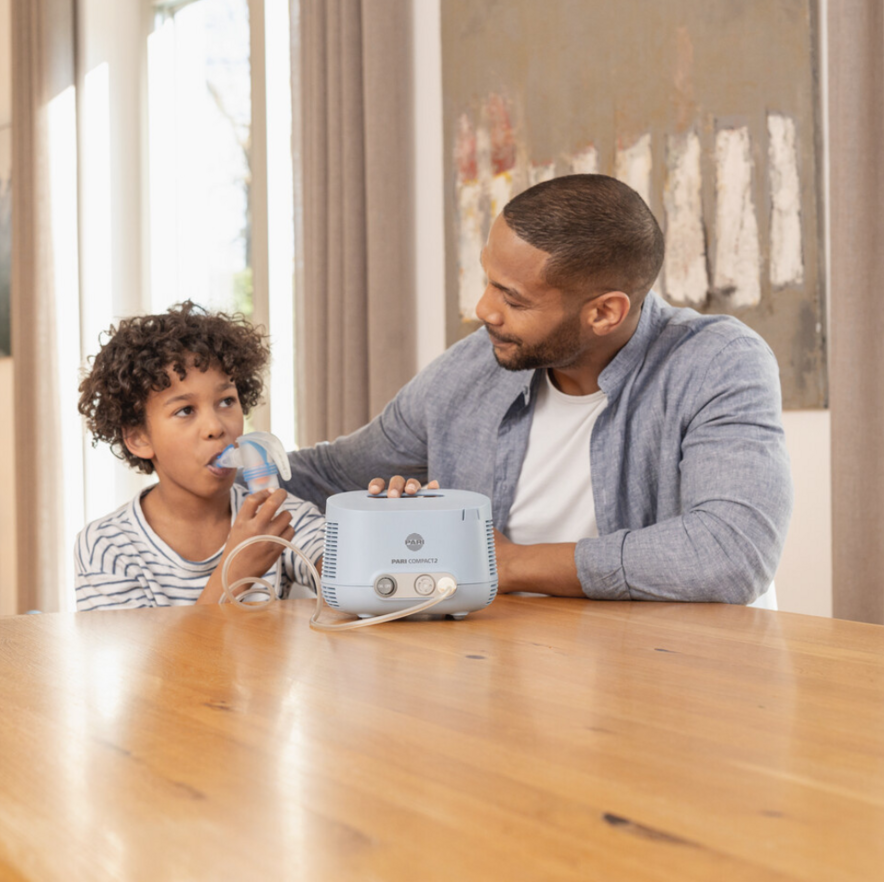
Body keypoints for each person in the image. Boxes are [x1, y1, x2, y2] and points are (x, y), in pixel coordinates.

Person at [284, 174, 793, 604]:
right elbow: (330, 475)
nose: (484, 310)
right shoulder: (471, 369)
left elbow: (732, 552)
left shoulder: (717, 363)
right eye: (488, 279)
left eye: (513, 297)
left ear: (604, 312)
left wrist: (509, 565)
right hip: (510, 673)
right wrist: (224, 459)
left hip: (682, 682)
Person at [74, 302, 323, 610]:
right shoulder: (108, 547)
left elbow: (357, 584)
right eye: (185, 410)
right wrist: (235, 573)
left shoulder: (277, 519)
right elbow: (146, 660)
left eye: (226, 401)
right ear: (139, 438)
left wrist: (387, 522)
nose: (216, 427)